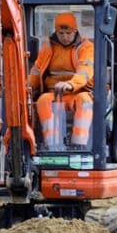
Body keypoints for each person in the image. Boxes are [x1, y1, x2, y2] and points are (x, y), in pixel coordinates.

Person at [29, 12, 94, 148]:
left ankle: (79, 145)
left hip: (78, 92)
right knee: (43, 100)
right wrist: (28, 86)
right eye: (61, 33)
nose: (64, 37)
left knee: (85, 101)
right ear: (56, 32)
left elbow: (85, 71)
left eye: (68, 33)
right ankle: (52, 145)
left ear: (75, 31)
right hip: (55, 94)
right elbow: (36, 70)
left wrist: (71, 84)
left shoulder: (86, 47)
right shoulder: (48, 47)